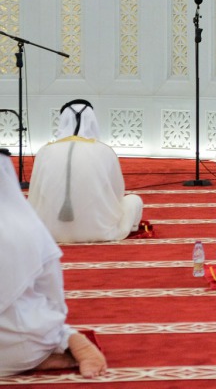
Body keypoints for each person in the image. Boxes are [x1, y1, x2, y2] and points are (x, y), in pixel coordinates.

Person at [0, 149, 107, 378]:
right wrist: (56, 331)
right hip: (24, 346)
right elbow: (53, 296)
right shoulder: (28, 227)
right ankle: (62, 342)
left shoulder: (48, 152)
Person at [27, 100, 143, 243]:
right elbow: (117, 193)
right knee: (134, 200)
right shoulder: (105, 151)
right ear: (92, 122)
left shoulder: (44, 151)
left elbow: (34, 193)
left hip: (47, 231)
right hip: (99, 230)